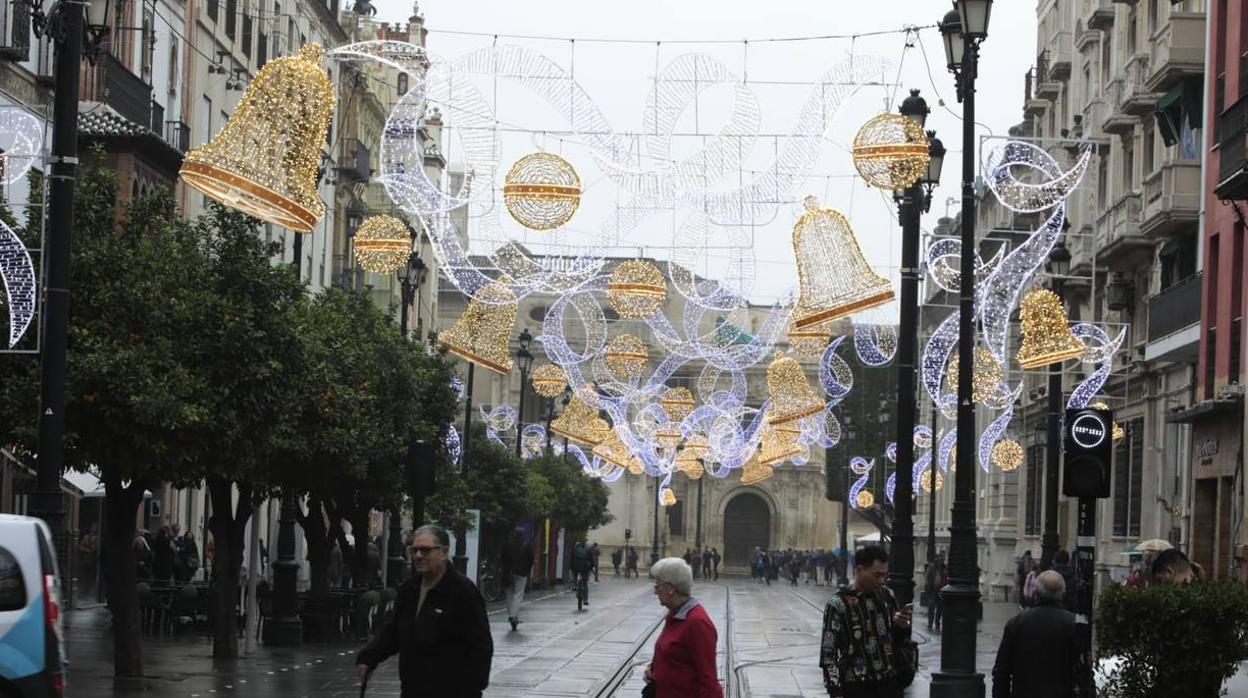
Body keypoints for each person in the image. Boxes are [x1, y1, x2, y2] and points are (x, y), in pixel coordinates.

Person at [356, 525, 493, 697]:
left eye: (425, 550)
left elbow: (481, 644)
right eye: (414, 550)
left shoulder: (463, 592)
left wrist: (472, 686)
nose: (419, 556)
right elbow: (393, 631)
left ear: (443, 553)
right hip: (413, 689)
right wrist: (369, 658)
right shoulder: (409, 589)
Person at [819, 545, 912, 698]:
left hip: (890, 683)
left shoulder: (887, 595)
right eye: (876, 575)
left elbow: (894, 641)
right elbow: (829, 654)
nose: (881, 580)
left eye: (884, 575)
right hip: (857, 685)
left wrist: (901, 626)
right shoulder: (838, 604)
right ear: (859, 569)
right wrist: (835, 691)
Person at [642, 558, 722, 698]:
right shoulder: (675, 615)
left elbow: (708, 678)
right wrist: (654, 668)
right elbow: (676, 656)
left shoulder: (696, 622)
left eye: (657, 586)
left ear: (670, 588)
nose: (655, 592)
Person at [991, 571, 1075, 698]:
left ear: (1036, 591)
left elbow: (1001, 672)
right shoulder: (1073, 624)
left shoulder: (1017, 623)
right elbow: (1082, 671)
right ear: (1063, 592)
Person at [500, 529, 534, 632]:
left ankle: (511, 615)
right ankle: (513, 615)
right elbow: (531, 560)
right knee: (518, 594)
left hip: (508, 573)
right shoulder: (527, 546)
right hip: (521, 574)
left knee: (509, 594)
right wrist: (526, 570)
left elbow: (502, 558)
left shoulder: (506, 545)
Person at [924, 551, 946, 631]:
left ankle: (937, 623)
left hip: (941, 591)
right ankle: (930, 623)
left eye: (942, 559)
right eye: (939, 559)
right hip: (932, 590)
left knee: (940, 608)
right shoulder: (932, 567)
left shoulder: (944, 568)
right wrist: (927, 585)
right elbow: (927, 577)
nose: (941, 561)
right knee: (931, 605)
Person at [570, 540, 592, 607]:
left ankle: (574, 585)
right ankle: (585, 599)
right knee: (585, 583)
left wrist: (571, 567)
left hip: (576, 568)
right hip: (585, 569)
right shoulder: (588, 549)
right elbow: (591, 560)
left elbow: (571, 559)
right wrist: (591, 568)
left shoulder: (574, 549)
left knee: (574, 574)